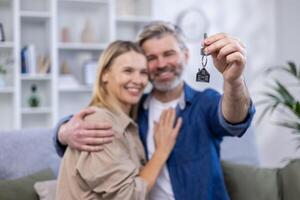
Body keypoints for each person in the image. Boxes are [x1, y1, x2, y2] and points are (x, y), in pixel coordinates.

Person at [54, 21, 255, 200]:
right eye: (151, 58)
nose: (161, 64)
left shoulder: (205, 102)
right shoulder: (133, 108)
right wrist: (62, 131)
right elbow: (94, 119)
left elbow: (235, 120)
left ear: (185, 56)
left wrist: (234, 81)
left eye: (169, 54)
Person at [56, 40, 182, 199]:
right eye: (128, 71)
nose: (138, 80)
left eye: (143, 72)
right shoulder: (100, 122)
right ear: (104, 75)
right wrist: (161, 151)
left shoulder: (125, 122)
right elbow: (129, 196)